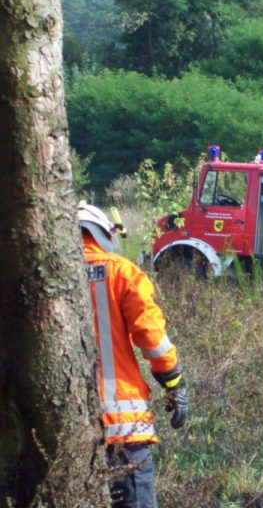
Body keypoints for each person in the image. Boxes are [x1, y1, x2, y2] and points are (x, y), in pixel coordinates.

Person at [78, 202, 189, 508]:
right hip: (122, 428)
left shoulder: (33, 277)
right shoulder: (121, 272)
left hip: (59, 434)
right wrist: (174, 382)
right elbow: (152, 339)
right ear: (102, 234)